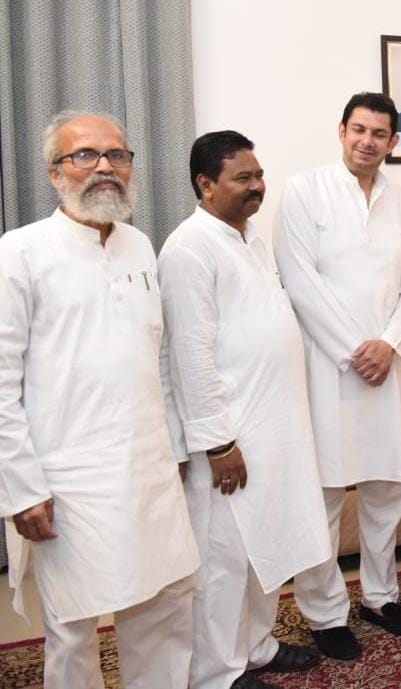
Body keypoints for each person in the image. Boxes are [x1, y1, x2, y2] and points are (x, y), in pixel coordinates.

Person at [0, 111, 199, 688]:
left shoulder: (140, 247)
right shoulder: (20, 252)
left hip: (149, 466)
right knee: (76, 624)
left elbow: (157, 356)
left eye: (118, 155)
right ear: (53, 172)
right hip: (68, 477)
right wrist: (21, 485)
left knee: (164, 605)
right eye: (85, 155)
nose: (105, 167)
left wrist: (177, 446)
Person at [159, 131, 333, 689]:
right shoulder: (188, 249)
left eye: (259, 175)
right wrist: (217, 443)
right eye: (243, 178)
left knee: (267, 548)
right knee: (225, 561)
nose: (258, 186)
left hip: (275, 426)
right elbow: (189, 356)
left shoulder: (251, 238)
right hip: (231, 436)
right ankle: (216, 672)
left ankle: (257, 647)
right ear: (205, 185)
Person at [275, 92, 401, 659]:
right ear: (341, 131)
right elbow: (298, 280)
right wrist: (353, 351)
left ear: (393, 142)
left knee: (387, 487)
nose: (367, 140)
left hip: (388, 368)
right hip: (325, 368)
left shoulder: (400, 201)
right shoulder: (304, 191)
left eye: (379, 133)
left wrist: (387, 346)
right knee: (325, 494)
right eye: (358, 129)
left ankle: (381, 595)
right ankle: (324, 612)